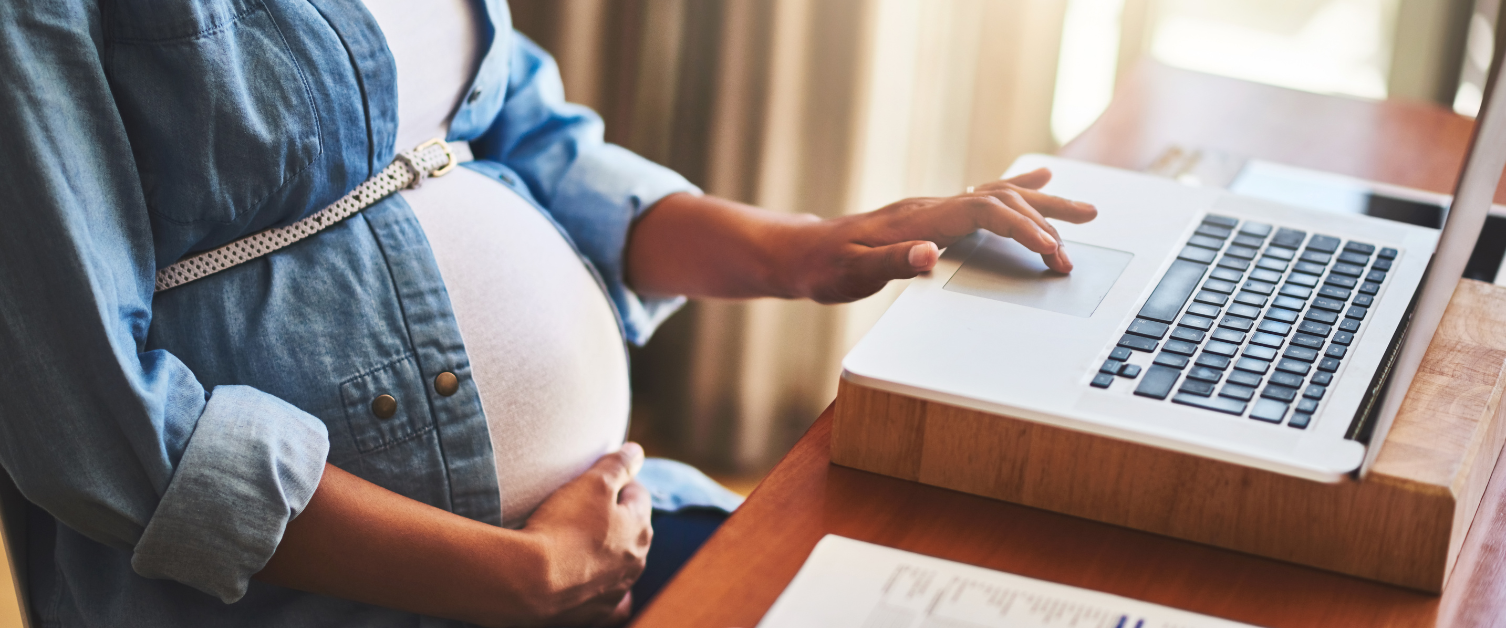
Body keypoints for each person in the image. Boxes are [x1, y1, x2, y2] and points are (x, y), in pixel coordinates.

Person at [0, 0, 1096, 626]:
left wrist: (812, 250)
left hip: (597, 536)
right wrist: (516, 578)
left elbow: (519, 126)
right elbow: (93, 426)